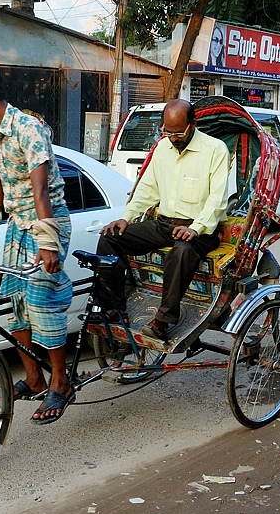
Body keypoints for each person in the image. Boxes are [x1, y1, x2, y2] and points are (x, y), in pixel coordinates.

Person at [0, 64, 75, 425]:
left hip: (48, 223)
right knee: (13, 301)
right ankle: (35, 378)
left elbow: (41, 190)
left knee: (41, 299)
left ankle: (60, 381)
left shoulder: (28, 127)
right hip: (16, 227)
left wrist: (48, 244)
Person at [96, 99, 230, 341]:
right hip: (164, 224)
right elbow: (147, 190)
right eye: (167, 131)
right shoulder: (161, 148)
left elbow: (217, 199)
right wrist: (126, 218)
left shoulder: (215, 149)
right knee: (110, 238)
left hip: (199, 230)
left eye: (178, 132)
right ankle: (114, 308)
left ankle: (163, 320)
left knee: (181, 251)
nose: (172, 137)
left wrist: (196, 229)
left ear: (193, 125)